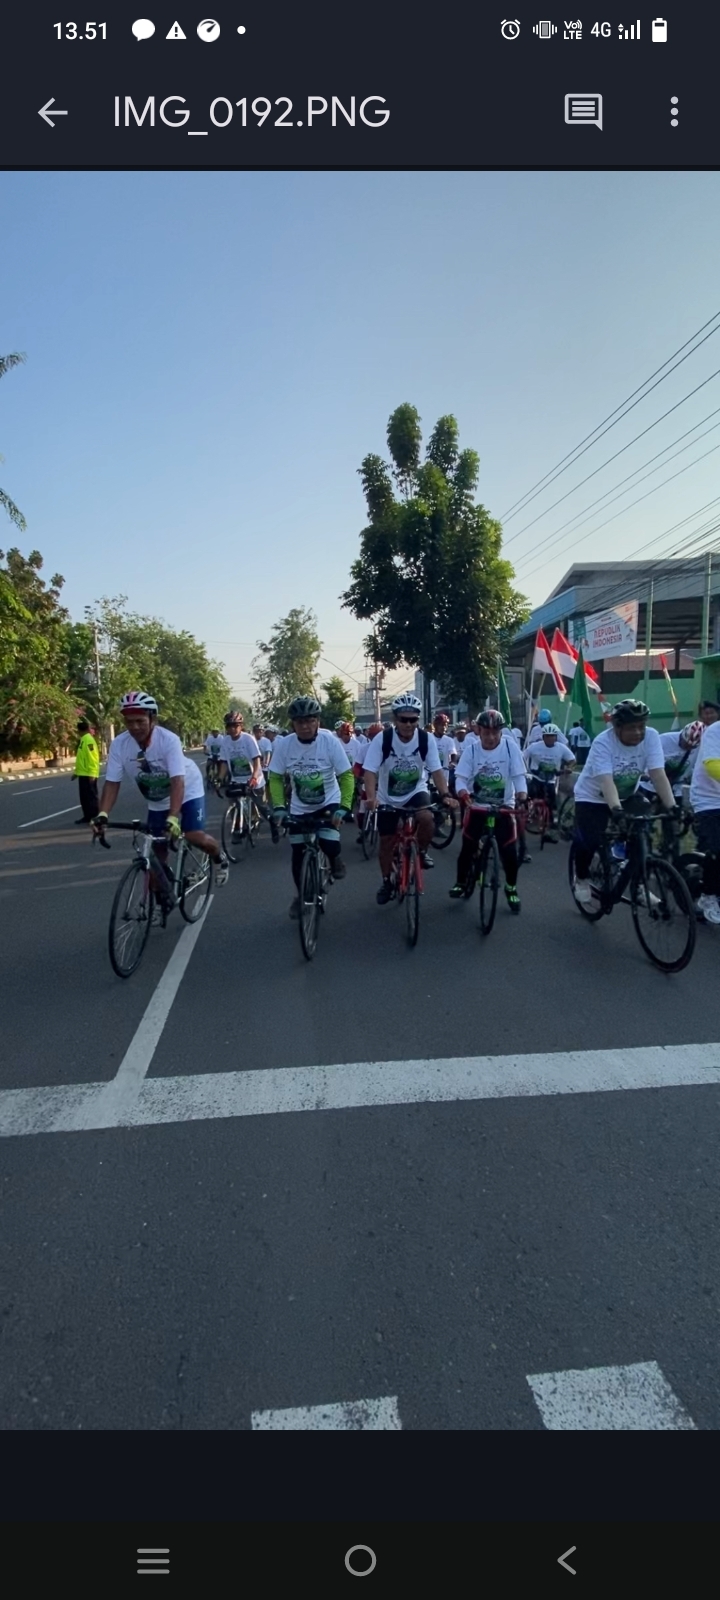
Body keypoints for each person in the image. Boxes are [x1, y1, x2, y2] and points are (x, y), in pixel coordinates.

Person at [92, 691, 229, 887]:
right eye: (129, 722)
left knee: (193, 835)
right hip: (157, 800)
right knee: (156, 855)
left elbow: (177, 781)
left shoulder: (168, 740)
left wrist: (173, 817)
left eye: (140, 721)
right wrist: (103, 814)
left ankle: (218, 856)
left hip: (187, 788)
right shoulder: (119, 745)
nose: (135, 727)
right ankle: (159, 906)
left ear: (152, 719)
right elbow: (112, 782)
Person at [570, 699, 677, 908]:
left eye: (641, 726)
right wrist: (616, 810)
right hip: (593, 797)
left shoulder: (652, 737)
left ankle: (638, 886)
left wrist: (673, 806)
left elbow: (657, 774)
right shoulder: (603, 742)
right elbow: (606, 780)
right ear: (617, 727)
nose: (638, 732)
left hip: (628, 795)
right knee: (589, 841)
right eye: (631, 728)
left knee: (640, 838)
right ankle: (581, 878)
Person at [362, 693, 458, 905]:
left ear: (418, 720)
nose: (408, 724)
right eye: (403, 719)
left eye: (413, 719)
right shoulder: (383, 739)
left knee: (426, 819)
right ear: (395, 719)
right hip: (388, 796)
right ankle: (387, 881)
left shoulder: (426, 739)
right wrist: (371, 798)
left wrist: (446, 795)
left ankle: (421, 852)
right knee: (386, 842)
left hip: (416, 791)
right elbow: (369, 771)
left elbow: (436, 770)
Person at [268, 696, 355, 919]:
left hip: (329, 801)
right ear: (292, 724)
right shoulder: (284, 745)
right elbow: (276, 777)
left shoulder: (330, 742)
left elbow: (346, 776)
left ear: (318, 721)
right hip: (300, 806)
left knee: (328, 841)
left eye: (310, 721)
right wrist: (278, 807)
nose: (305, 726)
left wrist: (344, 806)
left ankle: (335, 859)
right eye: (300, 722)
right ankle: (301, 895)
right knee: (298, 853)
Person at [449, 709, 527, 913]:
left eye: (495, 733)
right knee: (468, 846)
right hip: (477, 806)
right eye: (486, 733)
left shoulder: (511, 748)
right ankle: (461, 881)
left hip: (504, 806)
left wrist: (522, 795)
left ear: (501, 732)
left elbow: (519, 776)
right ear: (478, 731)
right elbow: (461, 778)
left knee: (509, 851)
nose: (491, 737)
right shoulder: (472, 751)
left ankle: (511, 888)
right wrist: (463, 791)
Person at [219, 712, 279, 842]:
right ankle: (239, 828)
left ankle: (273, 823)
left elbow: (257, 761)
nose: (232, 729)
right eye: (229, 726)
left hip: (254, 780)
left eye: (235, 726)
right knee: (234, 805)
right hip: (236, 780)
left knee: (262, 807)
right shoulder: (225, 741)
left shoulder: (248, 739)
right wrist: (219, 778)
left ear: (241, 726)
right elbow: (224, 762)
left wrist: (254, 777)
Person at [689, 715, 720, 925]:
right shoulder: (716, 730)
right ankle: (708, 897)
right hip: (709, 799)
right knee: (718, 849)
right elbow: (712, 765)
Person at [525, 723, 575, 841]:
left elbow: (572, 760)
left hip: (552, 779)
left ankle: (550, 829)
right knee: (530, 795)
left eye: (552, 736)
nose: (550, 738)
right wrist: (525, 769)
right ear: (543, 737)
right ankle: (530, 814)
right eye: (547, 736)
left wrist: (569, 768)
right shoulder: (535, 746)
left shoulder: (561, 748)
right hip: (536, 777)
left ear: (556, 737)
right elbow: (523, 756)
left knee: (551, 804)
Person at [638, 720, 703, 802]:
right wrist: (645, 774)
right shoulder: (663, 740)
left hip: (677, 788)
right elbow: (646, 757)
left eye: (691, 747)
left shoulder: (700, 748)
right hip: (650, 785)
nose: (687, 747)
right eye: (685, 744)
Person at [72, 717, 101, 824]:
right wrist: (76, 773)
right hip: (83, 774)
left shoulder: (89, 740)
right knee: (84, 797)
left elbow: (93, 758)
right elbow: (81, 758)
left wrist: (93, 773)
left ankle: (94, 817)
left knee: (91, 797)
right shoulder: (83, 740)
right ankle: (87, 816)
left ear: (79, 730)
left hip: (89, 774)